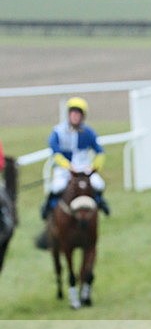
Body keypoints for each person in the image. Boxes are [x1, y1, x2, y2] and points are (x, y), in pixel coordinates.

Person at [38, 97, 110, 239]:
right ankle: (48, 208)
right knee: (57, 187)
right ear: (69, 114)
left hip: (85, 170)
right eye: (73, 113)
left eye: (78, 114)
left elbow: (100, 152)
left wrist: (94, 167)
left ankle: (101, 203)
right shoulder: (58, 132)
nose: (75, 116)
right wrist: (69, 167)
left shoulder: (88, 132)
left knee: (99, 184)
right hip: (65, 169)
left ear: (82, 116)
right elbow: (56, 153)